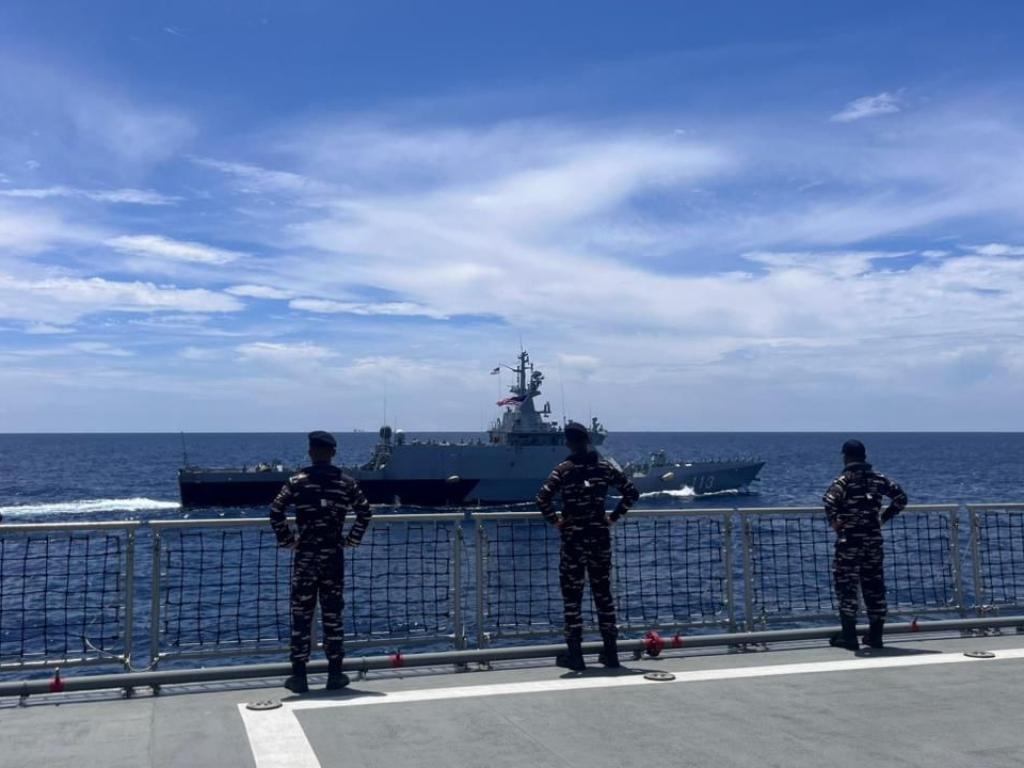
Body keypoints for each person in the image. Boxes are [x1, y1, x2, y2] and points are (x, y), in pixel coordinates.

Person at [270, 430, 372, 693]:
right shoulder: (346, 483)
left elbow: (276, 511)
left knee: (302, 615)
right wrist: (351, 540)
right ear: (333, 453)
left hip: (305, 556)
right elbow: (364, 512)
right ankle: (335, 674)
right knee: (332, 615)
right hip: (333, 556)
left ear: (311, 452)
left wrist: (287, 539)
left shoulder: (296, 481)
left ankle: (299, 676)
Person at [536, 421, 640, 671]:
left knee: (572, 598)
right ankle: (611, 653)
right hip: (599, 539)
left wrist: (557, 522)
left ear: (568, 442)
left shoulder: (564, 470)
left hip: (573, 541)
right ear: (588, 440)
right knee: (603, 595)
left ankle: (576, 656)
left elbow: (542, 498)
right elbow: (631, 493)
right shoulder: (604, 468)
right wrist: (613, 517)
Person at [823, 439, 907, 651]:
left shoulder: (844, 480)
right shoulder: (879, 479)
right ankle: (876, 635)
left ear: (845, 457)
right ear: (864, 456)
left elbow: (829, 500)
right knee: (874, 586)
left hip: (849, 542)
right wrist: (883, 518)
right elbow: (900, 498)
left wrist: (836, 523)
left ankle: (849, 636)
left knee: (847, 586)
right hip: (873, 541)